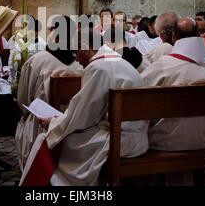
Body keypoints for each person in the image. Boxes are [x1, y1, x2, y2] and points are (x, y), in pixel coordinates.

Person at [20, 28, 149, 186]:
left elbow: (83, 116)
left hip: (119, 141)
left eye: (76, 53)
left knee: (46, 141)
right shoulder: (116, 60)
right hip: (137, 137)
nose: (77, 60)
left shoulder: (97, 67)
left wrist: (53, 123)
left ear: (85, 48)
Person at [141, 18, 205, 152]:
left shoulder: (163, 65)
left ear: (174, 37)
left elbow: (137, 95)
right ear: (198, 35)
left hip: (165, 141)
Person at [15, 16, 82, 171]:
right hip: (70, 127)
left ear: (53, 32)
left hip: (40, 127)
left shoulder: (37, 60)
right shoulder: (80, 63)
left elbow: (24, 99)